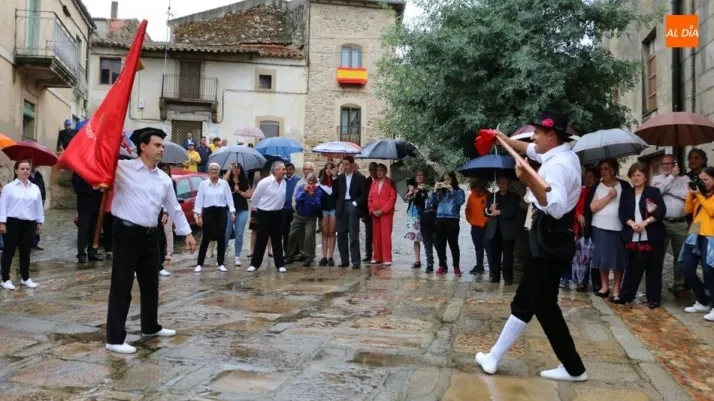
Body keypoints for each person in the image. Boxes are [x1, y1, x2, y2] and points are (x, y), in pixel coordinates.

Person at [476, 111, 587, 382]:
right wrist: (504, 139)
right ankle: (572, 367)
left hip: (550, 240)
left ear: (552, 136)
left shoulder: (558, 166)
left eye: (537, 132)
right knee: (537, 303)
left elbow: (555, 208)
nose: (533, 137)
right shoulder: (560, 154)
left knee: (533, 302)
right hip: (550, 238)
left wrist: (528, 181)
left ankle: (571, 367)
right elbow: (530, 150)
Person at [105, 127, 197, 354]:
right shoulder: (122, 168)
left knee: (150, 285)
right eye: (157, 145)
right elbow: (99, 165)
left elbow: (174, 207)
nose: (161, 149)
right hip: (126, 233)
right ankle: (114, 339)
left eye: (162, 146)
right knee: (122, 286)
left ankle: (150, 326)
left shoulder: (164, 179)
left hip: (150, 235)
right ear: (143, 146)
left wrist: (187, 233)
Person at [612, 163, 667, 308]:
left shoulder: (653, 192)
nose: (636, 178)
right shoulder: (627, 193)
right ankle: (626, 296)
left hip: (653, 236)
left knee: (654, 268)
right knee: (631, 268)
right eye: (633, 175)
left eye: (639, 175)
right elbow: (622, 213)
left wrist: (646, 222)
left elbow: (661, 211)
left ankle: (653, 299)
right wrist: (632, 224)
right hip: (632, 236)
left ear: (645, 177)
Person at [586, 158, 630, 301]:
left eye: (606, 168)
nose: (603, 171)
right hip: (600, 227)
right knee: (602, 258)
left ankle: (617, 288)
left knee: (618, 259)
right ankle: (604, 286)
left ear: (614, 169)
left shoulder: (624, 185)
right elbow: (593, 207)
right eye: (601, 169)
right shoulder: (597, 187)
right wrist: (609, 196)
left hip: (618, 227)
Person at [651, 154, 691, 298]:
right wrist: (671, 178)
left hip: (680, 223)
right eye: (664, 164)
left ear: (675, 164)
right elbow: (656, 193)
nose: (666, 166)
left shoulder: (685, 179)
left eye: (669, 163)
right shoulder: (657, 179)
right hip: (662, 222)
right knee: (658, 255)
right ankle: (656, 285)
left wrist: (669, 189)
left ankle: (679, 285)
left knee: (681, 256)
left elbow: (688, 195)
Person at [0, 160, 44, 290]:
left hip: (29, 223)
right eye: (22, 168)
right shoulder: (9, 188)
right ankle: (5, 279)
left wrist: (39, 221)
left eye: (27, 169)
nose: (25, 171)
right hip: (13, 222)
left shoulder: (34, 188)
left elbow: (38, 206)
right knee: (9, 250)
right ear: (16, 170)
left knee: (26, 251)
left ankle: (25, 278)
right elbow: (3, 206)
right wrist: (2, 222)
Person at [680, 166, 714, 322]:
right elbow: (687, 210)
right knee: (687, 268)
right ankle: (702, 301)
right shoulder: (700, 195)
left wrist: (699, 195)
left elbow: (711, 211)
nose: (703, 182)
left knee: (709, 271)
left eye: (706, 179)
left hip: (710, 235)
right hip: (695, 232)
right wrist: (691, 193)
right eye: (701, 179)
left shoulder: (707, 196)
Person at [194, 163, 235, 273]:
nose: (213, 171)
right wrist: (198, 215)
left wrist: (232, 211)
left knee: (221, 237)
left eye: (216, 169)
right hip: (208, 211)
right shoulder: (203, 184)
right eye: (212, 169)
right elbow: (199, 200)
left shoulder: (224, 184)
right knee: (206, 237)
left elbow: (229, 198)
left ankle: (220, 263)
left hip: (221, 211)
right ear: (209, 171)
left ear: (219, 171)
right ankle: (199, 264)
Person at [248, 161, 287, 273]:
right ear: (276, 170)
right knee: (261, 239)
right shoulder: (265, 182)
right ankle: (255, 264)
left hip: (278, 213)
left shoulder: (284, 182)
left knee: (277, 239)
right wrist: (258, 210)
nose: (285, 171)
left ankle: (280, 264)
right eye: (283, 169)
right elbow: (255, 197)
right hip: (265, 213)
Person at [485, 175, 520, 285]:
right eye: (500, 183)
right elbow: (485, 212)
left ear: (508, 184)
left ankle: (508, 278)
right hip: (494, 231)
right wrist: (490, 209)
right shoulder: (492, 196)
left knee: (508, 256)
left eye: (505, 183)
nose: (503, 185)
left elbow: (513, 210)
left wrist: (500, 212)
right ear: (498, 184)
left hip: (507, 231)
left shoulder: (514, 196)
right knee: (494, 255)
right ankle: (495, 276)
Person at [333, 156, 368, 269]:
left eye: (347, 164)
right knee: (341, 234)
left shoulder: (360, 178)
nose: (345, 167)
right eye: (343, 164)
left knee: (353, 235)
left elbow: (363, 194)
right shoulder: (339, 178)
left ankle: (356, 261)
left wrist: (355, 203)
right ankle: (344, 260)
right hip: (342, 206)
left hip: (353, 205)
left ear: (352, 164)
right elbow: (335, 194)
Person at [431, 171, 465, 277]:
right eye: (444, 179)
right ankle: (442, 265)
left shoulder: (459, 191)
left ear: (453, 180)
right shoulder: (440, 192)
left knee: (453, 245)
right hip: (439, 219)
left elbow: (460, 202)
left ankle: (456, 266)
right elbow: (432, 203)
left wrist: (452, 191)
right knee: (440, 245)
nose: (446, 182)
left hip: (452, 220)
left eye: (448, 179)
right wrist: (435, 190)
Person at [572, 167, 600, 292]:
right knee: (580, 256)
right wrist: (578, 215)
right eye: (586, 177)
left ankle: (596, 283)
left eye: (591, 177)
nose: (588, 180)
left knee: (594, 256)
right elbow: (573, 206)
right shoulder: (580, 191)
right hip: (581, 228)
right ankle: (581, 282)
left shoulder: (598, 191)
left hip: (595, 226)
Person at [288, 173, 322, 266]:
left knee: (309, 235)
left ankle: (308, 256)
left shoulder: (318, 191)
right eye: (309, 180)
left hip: (310, 216)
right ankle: (289, 255)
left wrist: (312, 196)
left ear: (315, 182)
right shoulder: (301, 187)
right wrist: (304, 192)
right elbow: (298, 199)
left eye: (313, 181)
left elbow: (317, 205)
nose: (311, 182)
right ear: (306, 181)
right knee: (292, 234)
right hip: (299, 215)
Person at [368, 164, 397, 266]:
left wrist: (383, 210)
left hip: (386, 214)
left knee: (385, 235)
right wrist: (372, 210)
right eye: (377, 170)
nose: (378, 172)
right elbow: (370, 198)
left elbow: (392, 199)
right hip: (375, 214)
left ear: (385, 171)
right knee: (376, 236)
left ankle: (387, 257)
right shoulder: (374, 183)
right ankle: (377, 257)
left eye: (381, 170)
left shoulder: (390, 183)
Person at [72, 173, 104, 263]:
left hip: (97, 205)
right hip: (84, 207)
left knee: (94, 231)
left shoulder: (98, 172)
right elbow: (78, 188)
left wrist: (102, 188)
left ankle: (92, 253)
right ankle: (81, 254)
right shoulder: (78, 173)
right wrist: (93, 188)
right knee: (83, 231)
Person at [224, 162, 251, 266]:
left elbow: (249, 195)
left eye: (238, 168)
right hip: (228, 210)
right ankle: (222, 254)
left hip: (242, 209)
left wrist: (239, 191)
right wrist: (229, 170)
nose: (236, 170)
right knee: (226, 233)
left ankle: (237, 256)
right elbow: (222, 182)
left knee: (239, 234)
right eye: (234, 168)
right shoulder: (227, 181)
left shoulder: (244, 181)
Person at [465, 180, 488, 275]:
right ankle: (479, 265)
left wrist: (485, 220)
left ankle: (493, 267)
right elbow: (467, 210)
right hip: (475, 227)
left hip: (486, 227)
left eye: (480, 186)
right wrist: (471, 221)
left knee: (488, 248)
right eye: (476, 186)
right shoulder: (471, 197)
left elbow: (489, 210)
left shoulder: (488, 196)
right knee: (478, 248)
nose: (478, 188)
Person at [158, 163, 177, 276]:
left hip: (167, 210)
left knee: (167, 231)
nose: (165, 171)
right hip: (156, 210)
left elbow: (172, 199)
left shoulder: (171, 182)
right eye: (163, 169)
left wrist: (167, 212)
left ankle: (169, 252)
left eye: (167, 169)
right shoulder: (155, 180)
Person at [416, 172, 437, 273]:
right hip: (424, 218)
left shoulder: (436, 192)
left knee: (437, 243)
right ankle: (430, 264)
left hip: (435, 219)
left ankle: (442, 263)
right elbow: (416, 202)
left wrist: (434, 190)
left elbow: (436, 202)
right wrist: (418, 192)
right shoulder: (420, 191)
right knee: (427, 243)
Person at [404, 173, 425, 269]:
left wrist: (418, 192)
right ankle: (417, 260)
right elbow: (406, 198)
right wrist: (410, 192)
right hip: (412, 215)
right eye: (417, 175)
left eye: (421, 175)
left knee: (426, 239)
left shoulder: (426, 188)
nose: (419, 177)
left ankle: (430, 261)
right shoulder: (412, 188)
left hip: (422, 215)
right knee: (416, 239)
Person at [318, 162, 337, 266]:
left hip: (333, 209)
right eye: (327, 168)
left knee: (332, 232)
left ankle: (331, 256)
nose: (329, 170)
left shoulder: (336, 182)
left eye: (331, 168)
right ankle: (324, 256)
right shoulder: (320, 184)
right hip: (324, 210)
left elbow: (338, 194)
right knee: (325, 232)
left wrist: (335, 178)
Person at [282, 163, 300, 262]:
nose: (288, 171)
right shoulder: (282, 180)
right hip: (284, 209)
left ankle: (296, 251)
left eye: (290, 169)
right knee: (285, 232)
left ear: (293, 170)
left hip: (294, 209)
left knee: (295, 231)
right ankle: (287, 252)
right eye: (286, 169)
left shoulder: (298, 180)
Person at [363, 162, 378, 263]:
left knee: (378, 234)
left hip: (379, 212)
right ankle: (368, 253)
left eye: (374, 169)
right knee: (369, 233)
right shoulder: (366, 181)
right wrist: (364, 214)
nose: (372, 171)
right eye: (370, 169)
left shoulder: (381, 180)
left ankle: (378, 253)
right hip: (368, 212)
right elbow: (364, 198)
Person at [29, 166, 46, 251]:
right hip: (28, 201)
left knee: (37, 222)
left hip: (38, 200)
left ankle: (35, 242)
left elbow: (42, 187)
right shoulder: (25, 174)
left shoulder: (38, 174)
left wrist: (43, 199)